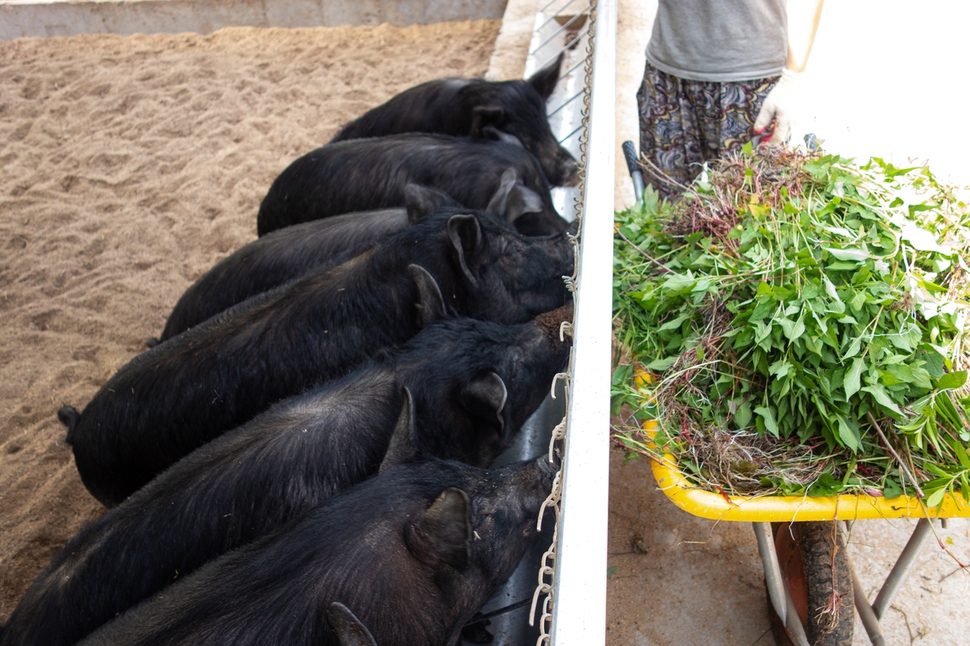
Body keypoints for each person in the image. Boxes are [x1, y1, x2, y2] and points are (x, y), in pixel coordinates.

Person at [636, 0, 825, 196]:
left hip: (751, 84)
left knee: (751, 208)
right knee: (664, 211)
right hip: (669, 72)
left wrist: (793, 77)